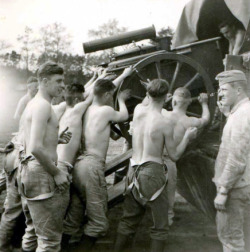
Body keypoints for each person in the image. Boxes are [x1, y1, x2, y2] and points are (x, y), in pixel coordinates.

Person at [115, 79, 197, 252]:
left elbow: (147, 101)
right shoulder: (164, 123)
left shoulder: (138, 111)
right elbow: (174, 156)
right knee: (160, 226)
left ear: (148, 94)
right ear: (167, 97)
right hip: (153, 171)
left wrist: (150, 88)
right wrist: (186, 138)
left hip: (133, 169)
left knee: (128, 221)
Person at [65, 67, 132, 251]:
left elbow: (101, 88)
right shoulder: (105, 111)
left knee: (74, 218)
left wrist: (123, 76)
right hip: (92, 166)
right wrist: (121, 99)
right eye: (112, 96)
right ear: (108, 95)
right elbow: (124, 116)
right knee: (99, 223)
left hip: (79, 166)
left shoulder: (87, 110)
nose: (112, 99)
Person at [17, 61, 72, 252]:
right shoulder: (43, 106)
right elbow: (35, 147)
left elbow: (30, 141)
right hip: (41, 172)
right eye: (58, 80)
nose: (62, 85)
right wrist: (57, 172)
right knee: (49, 241)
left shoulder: (33, 104)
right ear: (45, 81)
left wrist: (55, 140)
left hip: (29, 171)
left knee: (33, 230)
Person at [214, 70, 250, 252]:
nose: (220, 94)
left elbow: (236, 159)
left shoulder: (242, 115)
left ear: (238, 90)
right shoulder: (241, 112)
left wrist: (224, 190)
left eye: (224, 89)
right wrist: (228, 114)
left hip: (235, 188)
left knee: (231, 240)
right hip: (244, 184)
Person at [162, 87, 210, 225]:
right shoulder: (189, 121)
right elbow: (205, 119)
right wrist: (204, 103)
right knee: (169, 197)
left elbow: (149, 108)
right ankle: (167, 223)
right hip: (171, 162)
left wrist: (164, 100)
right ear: (189, 103)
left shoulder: (163, 113)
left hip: (155, 159)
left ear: (174, 102)